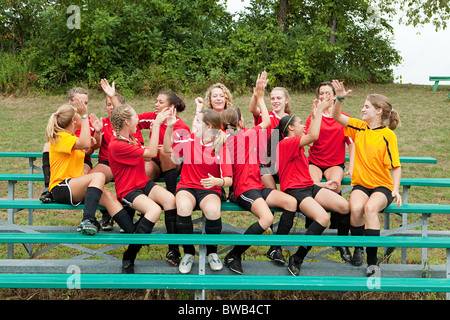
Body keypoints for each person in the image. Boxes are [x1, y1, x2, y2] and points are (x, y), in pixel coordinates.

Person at [220, 74, 298, 274]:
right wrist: (261, 97)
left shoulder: (233, 136)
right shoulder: (244, 135)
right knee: (266, 219)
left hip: (257, 186)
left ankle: (275, 248)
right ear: (239, 123)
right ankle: (234, 254)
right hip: (245, 189)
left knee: (291, 203)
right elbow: (266, 121)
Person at [331, 80, 402, 276]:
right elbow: (336, 116)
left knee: (370, 208)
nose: (362, 109)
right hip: (361, 185)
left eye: (366, 106)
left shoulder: (388, 135)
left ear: (378, 111)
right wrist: (340, 98)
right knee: (355, 208)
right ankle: (359, 248)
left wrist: (395, 189)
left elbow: (396, 166)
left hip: (382, 187)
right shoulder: (359, 127)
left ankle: (372, 263)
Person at [274, 97, 350, 276]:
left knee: (344, 206)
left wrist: (322, 184)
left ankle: (341, 244)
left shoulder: (298, 148)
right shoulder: (286, 143)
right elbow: (314, 136)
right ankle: (298, 257)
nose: (304, 126)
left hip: (309, 187)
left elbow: (300, 176)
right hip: (296, 192)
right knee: (323, 218)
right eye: (301, 123)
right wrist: (320, 110)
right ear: (291, 128)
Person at [45, 101, 135, 236]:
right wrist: (84, 116)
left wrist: (91, 144)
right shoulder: (61, 137)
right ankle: (87, 219)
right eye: (79, 117)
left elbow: (85, 149)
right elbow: (84, 142)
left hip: (74, 185)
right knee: (98, 176)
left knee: (108, 196)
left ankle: (132, 231)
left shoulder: (70, 138)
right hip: (61, 187)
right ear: (74, 120)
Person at [108, 104, 179, 273]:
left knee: (171, 200)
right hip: (128, 189)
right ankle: (130, 255)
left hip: (143, 183)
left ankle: (173, 250)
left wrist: (166, 123)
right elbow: (151, 152)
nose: (138, 120)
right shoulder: (117, 144)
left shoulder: (130, 139)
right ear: (126, 122)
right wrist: (155, 125)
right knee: (154, 211)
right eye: (135, 117)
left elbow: (149, 151)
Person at [163, 108, 233, 274]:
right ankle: (188, 252)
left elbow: (229, 180)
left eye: (198, 122)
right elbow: (167, 149)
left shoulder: (221, 147)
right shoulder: (190, 140)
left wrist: (217, 181)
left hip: (210, 188)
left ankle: (212, 252)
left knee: (213, 210)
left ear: (209, 127)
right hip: (187, 186)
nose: (194, 124)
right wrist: (170, 127)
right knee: (183, 207)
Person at [305, 81, 355, 262]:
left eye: (327, 93)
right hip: (315, 162)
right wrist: (314, 116)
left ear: (335, 96)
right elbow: (309, 142)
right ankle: (311, 226)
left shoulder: (343, 118)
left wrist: (351, 166)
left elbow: (351, 143)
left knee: (334, 186)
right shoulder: (314, 116)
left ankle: (341, 241)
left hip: (335, 163)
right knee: (311, 185)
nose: (324, 96)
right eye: (321, 93)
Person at [39, 87, 99, 203]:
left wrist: (97, 132)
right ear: (70, 102)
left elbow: (92, 147)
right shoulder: (63, 120)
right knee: (49, 143)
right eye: (79, 103)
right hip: (65, 163)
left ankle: (96, 215)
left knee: (89, 175)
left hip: (82, 159)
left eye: (85, 103)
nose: (83, 106)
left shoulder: (86, 122)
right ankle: (48, 185)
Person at [138, 91, 190, 194]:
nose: (156, 105)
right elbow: (128, 121)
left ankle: (171, 194)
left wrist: (156, 149)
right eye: (156, 101)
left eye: (161, 102)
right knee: (146, 169)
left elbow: (176, 154)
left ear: (171, 107)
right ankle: (143, 203)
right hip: (155, 162)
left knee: (165, 151)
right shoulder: (153, 117)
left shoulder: (181, 127)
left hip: (174, 164)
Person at [249, 71, 291, 190]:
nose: (275, 101)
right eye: (272, 98)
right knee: (272, 190)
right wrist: (256, 95)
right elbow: (253, 109)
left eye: (279, 98)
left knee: (290, 187)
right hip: (264, 164)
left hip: (281, 163)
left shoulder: (290, 120)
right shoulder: (267, 115)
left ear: (286, 100)